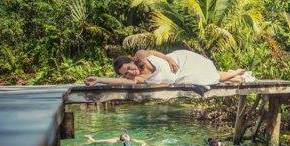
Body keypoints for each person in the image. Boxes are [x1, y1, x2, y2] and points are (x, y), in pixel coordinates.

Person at [84, 49, 254, 86]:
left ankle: (236, 73)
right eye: (125, 73)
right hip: (180, 77)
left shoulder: (141, 55)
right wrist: (98, 79)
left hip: (179, 61)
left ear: (131, 61)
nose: (130, 72)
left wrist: (170, 60)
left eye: (128, 67)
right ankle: (236, 74)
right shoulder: (138, 79)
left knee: (210, 75)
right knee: (208, 77)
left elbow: (156, 53)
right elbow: (116, 82)